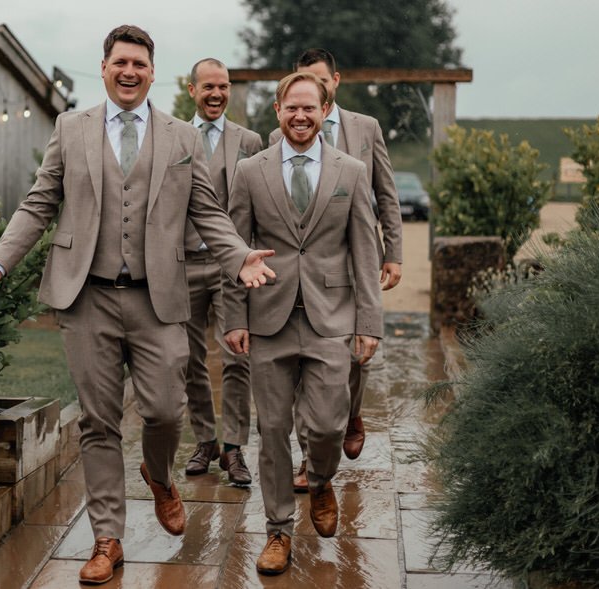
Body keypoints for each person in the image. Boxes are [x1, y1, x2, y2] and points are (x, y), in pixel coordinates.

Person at [0, 25, 275, 586]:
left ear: (154, 74)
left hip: (159, 300)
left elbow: (206, 211)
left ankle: (158, 475)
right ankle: (109, 539)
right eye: (121, 62)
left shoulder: (181, 137)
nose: (130, 72)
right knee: (100, 423)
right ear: (104, 68)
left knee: (165, 412)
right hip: (88, 300)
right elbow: (37, 204)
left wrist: (238, 256)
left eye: (140, 65)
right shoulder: (69, 128)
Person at [224, 72, 382, 575]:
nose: (300, 116)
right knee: (271, 431)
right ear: (277, 111)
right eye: (291, 108)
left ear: (324, 111)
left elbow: (364, 247)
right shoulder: (250, 171)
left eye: (309, 109)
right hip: (268, 318)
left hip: (330, 318)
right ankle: (277, 531)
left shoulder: (351, 172)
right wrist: (233, 316)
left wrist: (369, 321)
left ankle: (319, 480)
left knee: (329, 425)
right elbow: (234, 246)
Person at [269, 49, 402, 487]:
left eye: (319, 87)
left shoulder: (365, 128)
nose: (308, 102)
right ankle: (312, 461)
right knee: (307, 372)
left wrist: (393, 251)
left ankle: (352, 414)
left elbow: (386, 193)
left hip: (355, 256)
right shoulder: (276, 140)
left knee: (354, 361)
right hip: (306, 271)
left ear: (333, 87)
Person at [182, 58, 263, 486]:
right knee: (189, 359)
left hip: (231, 265)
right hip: (184, 262)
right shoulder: (174, 137)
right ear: (191, 89)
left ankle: (233, 448)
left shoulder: (249, 141)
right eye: (208, 87)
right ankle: (204, 440)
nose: (216, 94)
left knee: (237, 354)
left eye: (224, 87)